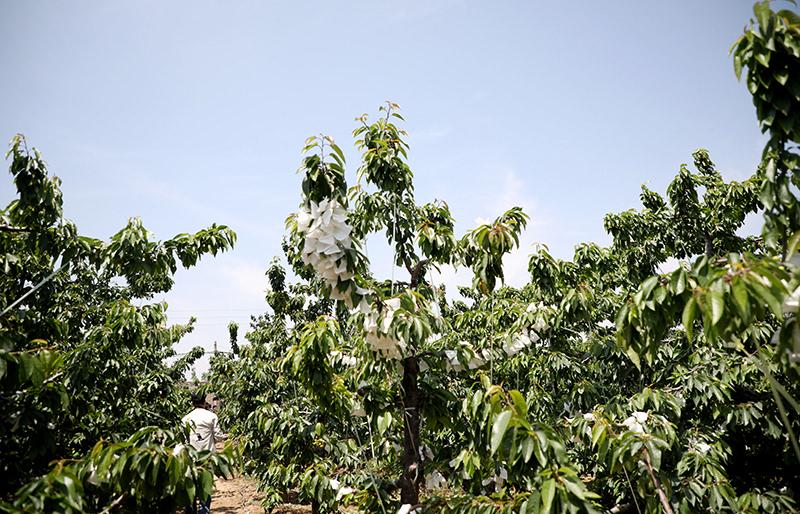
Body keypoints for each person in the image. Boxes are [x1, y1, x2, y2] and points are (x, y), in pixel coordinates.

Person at [182, 392, 226, 514]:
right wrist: (224, 437)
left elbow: (184, 440)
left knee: (191, 487)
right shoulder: (211, 417)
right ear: (204, 401)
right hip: (208, 458)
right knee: (205, 488)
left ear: (192, 402)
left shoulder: (185, 418)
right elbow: (217, 436)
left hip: (191, 459)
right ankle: (204, 511)